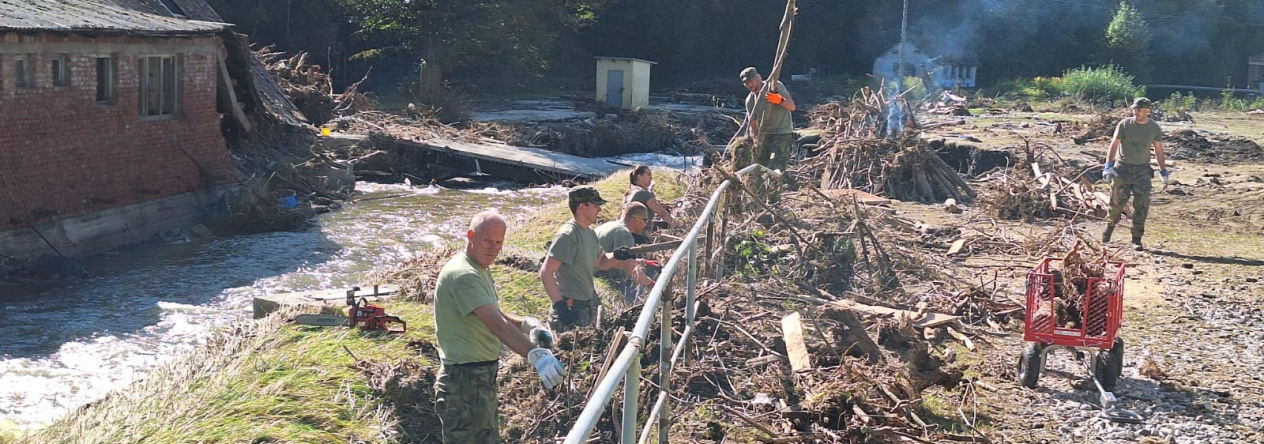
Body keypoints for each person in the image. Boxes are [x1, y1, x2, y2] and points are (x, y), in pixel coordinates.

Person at [433, 210, 565, 443]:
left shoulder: (478, 267)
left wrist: (527, 324)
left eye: (499, 243)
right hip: (463, 381)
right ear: (471, 236)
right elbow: (495, 323)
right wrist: (535, 354)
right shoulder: (464, 275)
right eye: (488, 241)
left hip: (479, 378)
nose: (493, 248)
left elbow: (493, 311)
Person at [541, 186, 631, 330]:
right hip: (569, 308)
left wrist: (616, 254)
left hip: (586, 306)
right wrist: (560, 306)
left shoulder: (590, 233)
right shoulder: (568, 235)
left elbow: (601, 261)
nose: (599, 210)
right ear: (582, 207)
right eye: (596, 206)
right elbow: (546, 272)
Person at [1102, 97, 1169, 251]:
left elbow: (1158, 149)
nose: (1136, 112)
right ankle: (1107, 232)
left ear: (1148, 111)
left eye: (1139, 110)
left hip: (1142, 171)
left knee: (1142, 205)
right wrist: (1108, 165)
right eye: (1134, 109)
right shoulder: (1125, 124)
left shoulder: (1153, 128)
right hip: (1122, 169)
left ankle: (1136, 239)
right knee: (1116, 203)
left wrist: (1163, 170)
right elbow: (1114, 144)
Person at [595, 201, 657, 302]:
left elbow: (615, 257)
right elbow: (632, 271)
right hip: (594, 275)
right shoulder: (624, 235)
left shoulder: (610, 225)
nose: (645, 224)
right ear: (637, 220)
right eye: (645, 220)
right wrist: (653, 285)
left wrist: (643, 262)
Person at [739, 66, 796, 172]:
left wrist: (780, 100)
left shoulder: (774, 86)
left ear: (758, 78)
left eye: (751, 81)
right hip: (764, 135)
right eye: (746, 83)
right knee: (758, 166)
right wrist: (756, 140)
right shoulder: (750, 100)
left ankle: (776, 186)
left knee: (776, 165)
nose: (749, 85)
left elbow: (792, 106)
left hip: (781, 133)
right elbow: (753, 125)